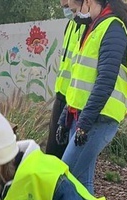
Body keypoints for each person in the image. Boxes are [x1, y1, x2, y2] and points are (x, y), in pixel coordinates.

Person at [57, 0, 127, 193]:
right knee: (82, 185)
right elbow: (79, 80)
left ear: (90, 2)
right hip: (84, 117)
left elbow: (105, 81)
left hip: (97, 119)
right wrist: (64, 119)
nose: (75, 12)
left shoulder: (113, 28)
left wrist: (84, 125)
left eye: (78, 7)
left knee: (61, 181)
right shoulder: (94, 27)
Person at [45, 0, 83, 158]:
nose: (66, 10)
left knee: (68, 160)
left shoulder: (87, 25)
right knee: (53, 152)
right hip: (62, 97)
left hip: (75, 101)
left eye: (68, 7)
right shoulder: (71, 25)